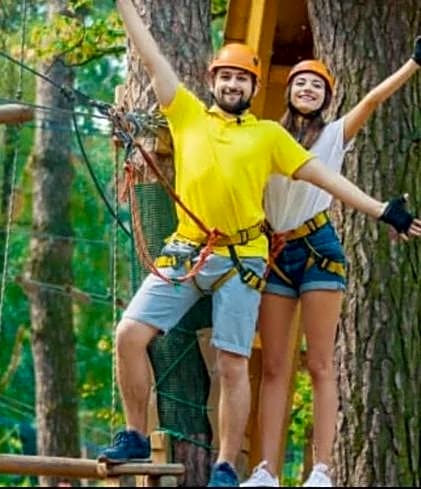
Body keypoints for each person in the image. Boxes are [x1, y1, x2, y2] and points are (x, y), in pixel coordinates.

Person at [101, 1, 421, 486]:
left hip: (245, 256)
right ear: (212, 82)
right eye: (225, 78)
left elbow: (323, 177)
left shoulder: (269, 135)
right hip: (188, 248)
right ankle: (134, 434)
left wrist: (380, 210)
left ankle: (229, 466)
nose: (233, 85)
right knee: (129, 335)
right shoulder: (186, 113)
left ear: (253, 89)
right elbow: (152, 56)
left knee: (234, 361)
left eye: (242, 80)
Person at [241, 37, 421, 488]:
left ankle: (322, 470)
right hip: (276, 252)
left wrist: (414, 62)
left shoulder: (335, 135)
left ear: (326, 98)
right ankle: (266, 470)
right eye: (300, 82)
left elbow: (372, 100)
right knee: (276, 366)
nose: (307, 89)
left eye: (317, 85)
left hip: (318, 247)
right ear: (288, 91)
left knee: (319, 364)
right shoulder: (266, 135)